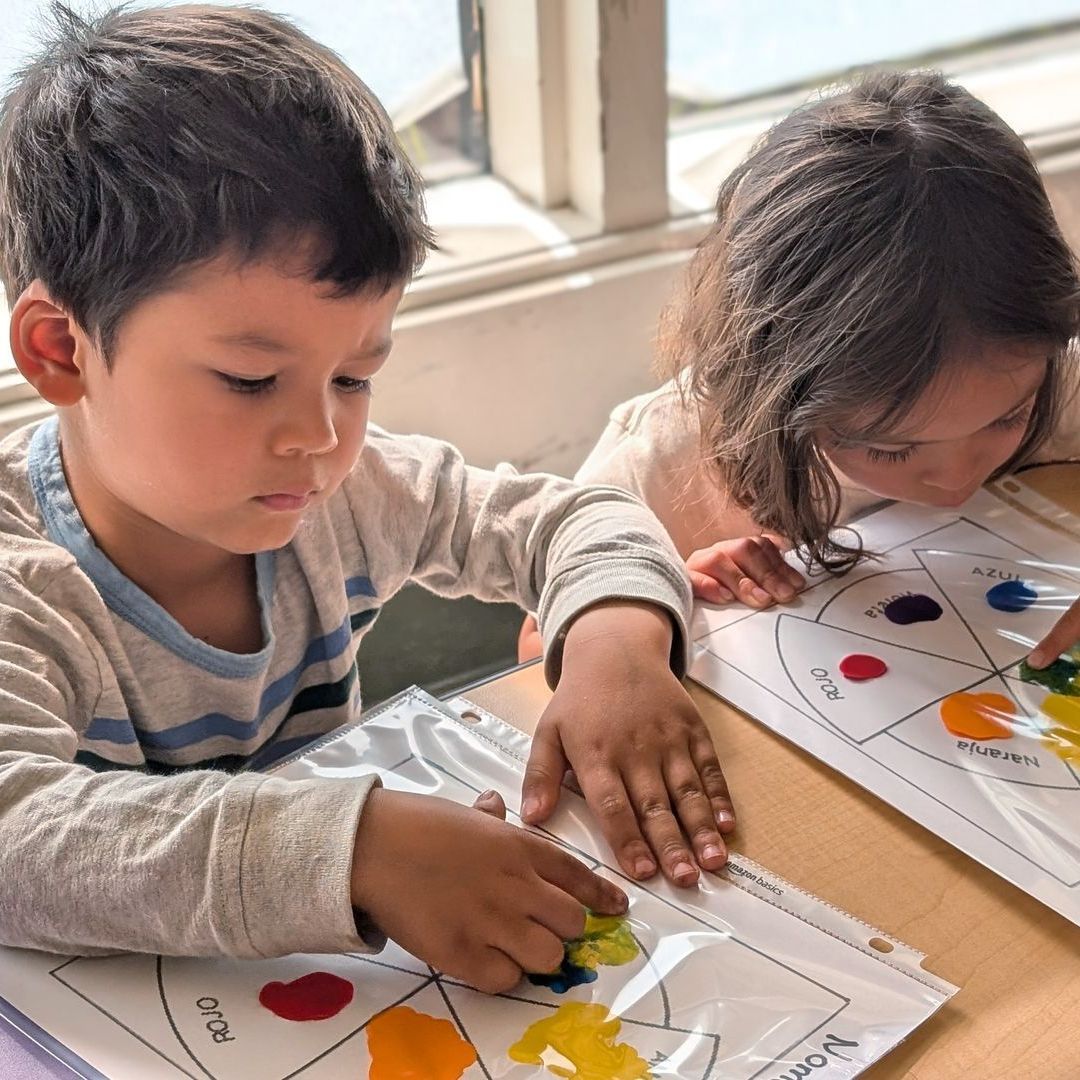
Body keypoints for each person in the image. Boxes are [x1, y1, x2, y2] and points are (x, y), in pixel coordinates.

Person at [0, 4, 736, 993]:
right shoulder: (24, 581)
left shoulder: (343, 491)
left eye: (354, 376)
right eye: (251, 381)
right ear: (60, 350)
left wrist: (612, 634)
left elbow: (577, 519)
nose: (320, 435)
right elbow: (17, 841)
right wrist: (354, 852)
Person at [520, 70, 1080, 662]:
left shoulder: (1046, 369)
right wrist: (646, 605)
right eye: (891, 448)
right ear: (777, 385)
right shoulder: (662, 463)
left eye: (1007, 418)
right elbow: (535, 649)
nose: (954, 475)